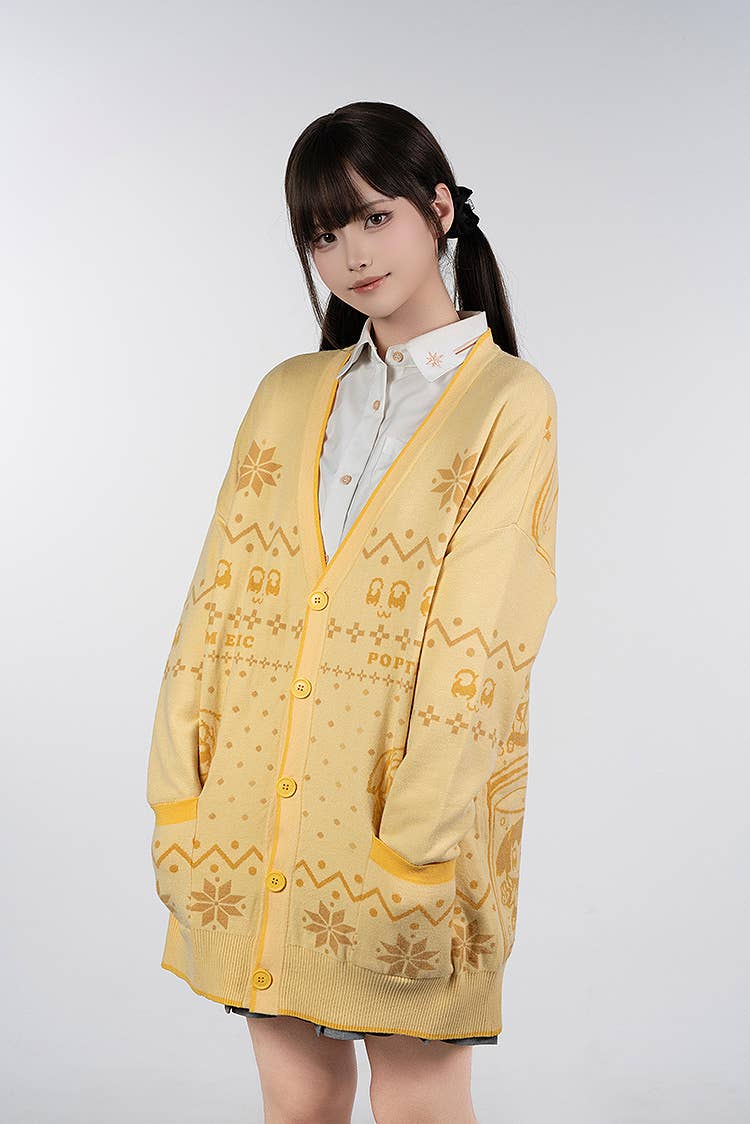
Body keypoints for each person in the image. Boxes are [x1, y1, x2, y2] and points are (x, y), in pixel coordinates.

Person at [146, 101, 559, 1124]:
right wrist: (178, 794)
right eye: (324, 234)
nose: (352, 255)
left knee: (420, 1105)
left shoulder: (507, 402)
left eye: (375, 218)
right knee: (297, 1100)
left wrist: (413, 845)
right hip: (253, 820)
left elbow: (484, 640)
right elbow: (212, 606)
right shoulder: (287, 393)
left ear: (439, 208)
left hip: (399, 828)